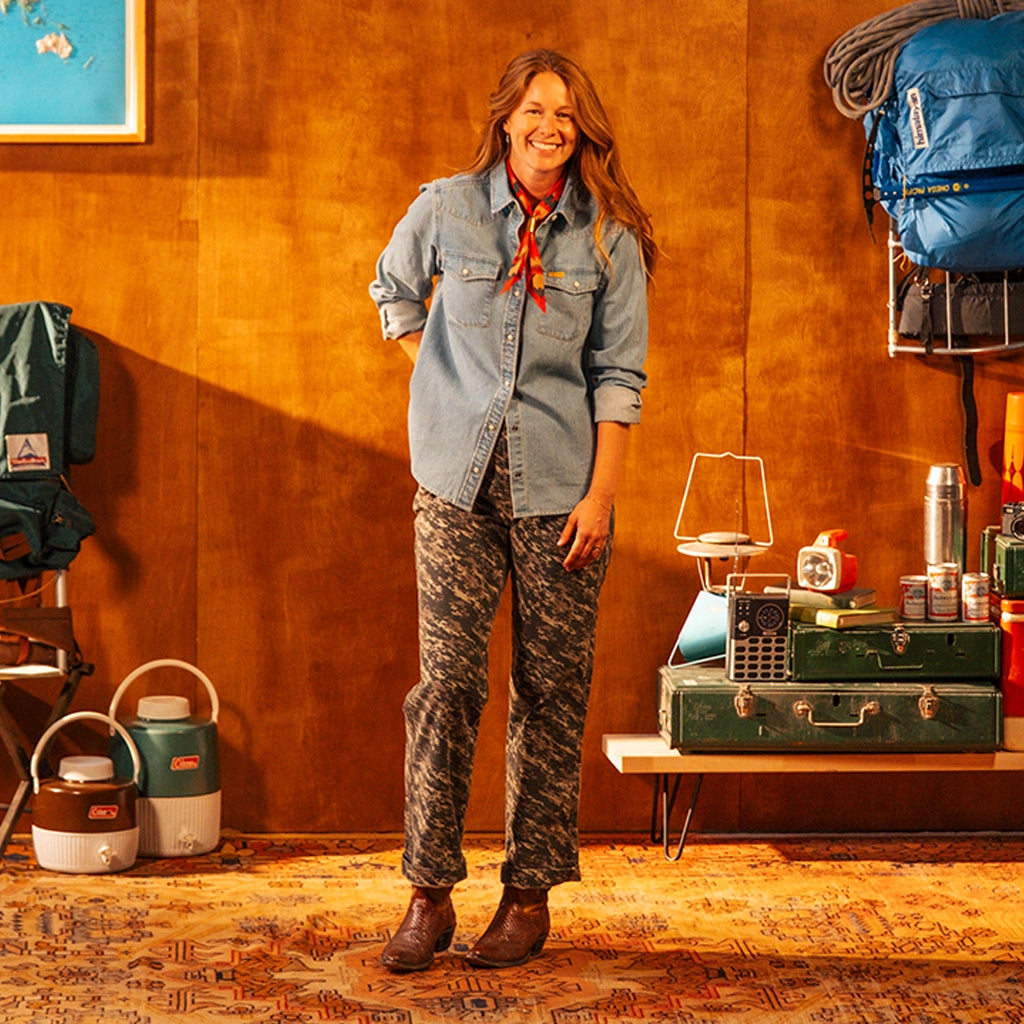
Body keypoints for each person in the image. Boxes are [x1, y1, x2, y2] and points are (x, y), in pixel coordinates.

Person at [369, 48, 655, 972]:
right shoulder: (447, 206)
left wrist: (603, 495)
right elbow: (392, 291)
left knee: (551, 696)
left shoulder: (607, 238)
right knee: (447, 687)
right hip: (457, 487)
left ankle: (528, 897)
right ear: (506, 120)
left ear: (583, 132)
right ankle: (428, 894)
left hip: (564, 496)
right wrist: (442, 388)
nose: (549, 127)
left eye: (567, 115)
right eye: (536, 110)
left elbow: (619, 376)